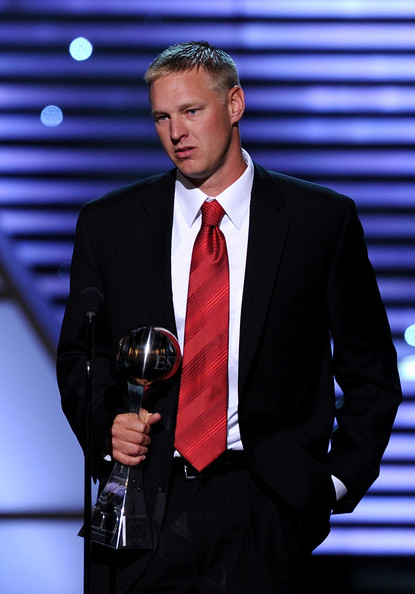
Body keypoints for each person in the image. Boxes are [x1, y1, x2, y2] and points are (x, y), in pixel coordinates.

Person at [57, 41, 402, 593]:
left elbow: (372, 376)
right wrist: (107, 429)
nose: (176, 133)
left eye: (191, 111)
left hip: (266, 507)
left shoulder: (319, 221)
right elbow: (82, 358)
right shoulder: (110, 224)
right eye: (162, 117)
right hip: (143, 505)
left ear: (235, 104)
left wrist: (331, 484)